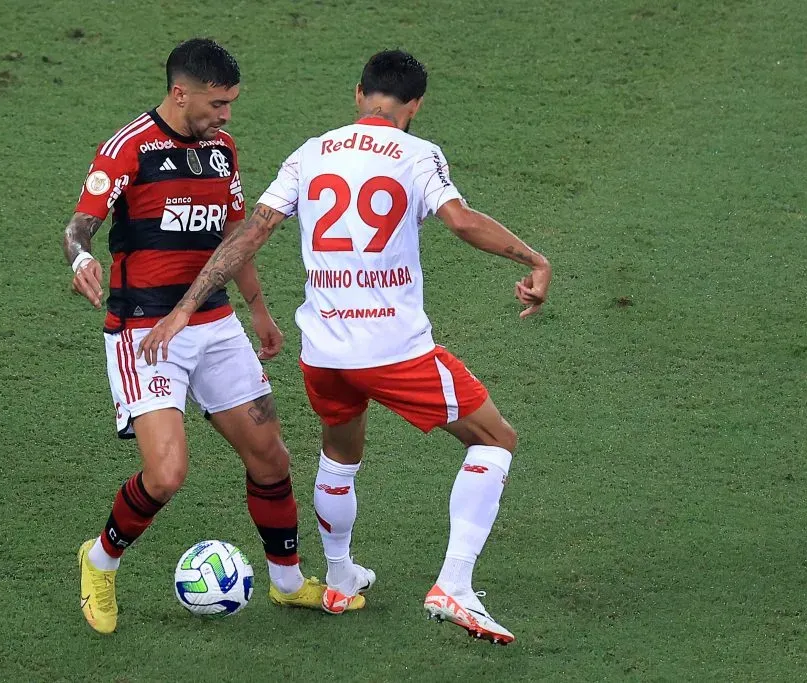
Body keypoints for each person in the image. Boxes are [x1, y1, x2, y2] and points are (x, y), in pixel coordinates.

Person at [138, 50, 551, 645]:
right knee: (496, 440)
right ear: (414, 106)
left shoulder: (310, 152)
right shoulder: (418, 153)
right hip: (394, 352)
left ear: (359, 95)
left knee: (340, 452)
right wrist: (533, 258)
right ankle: (454, 587)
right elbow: (460, 222)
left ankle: (338, 575)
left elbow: (250, 233)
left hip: (324, 354)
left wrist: (183, 308)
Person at [62, 38, 343, 635]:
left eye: (231, 104)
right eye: (218, 103)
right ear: (180, 92)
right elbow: (79, 225)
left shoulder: (222, 152)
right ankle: (99, 560)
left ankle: (288, 582)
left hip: (214, 323)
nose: (226, 116)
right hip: (144, 330)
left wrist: (259, 309)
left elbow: (235, 236)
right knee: (166, 474)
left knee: (271, 458)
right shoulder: (127, 150)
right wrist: (79, 258)